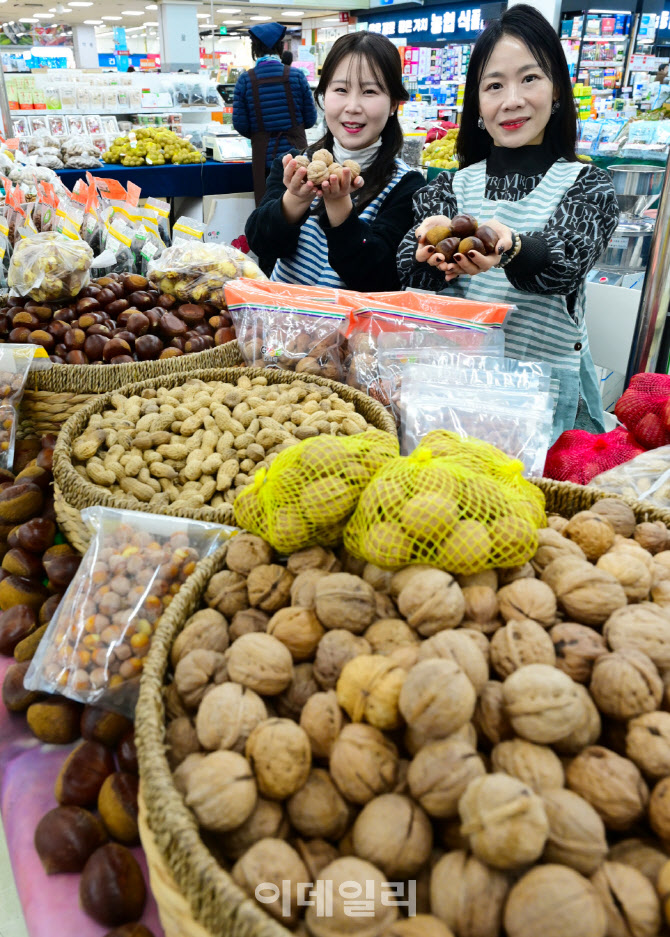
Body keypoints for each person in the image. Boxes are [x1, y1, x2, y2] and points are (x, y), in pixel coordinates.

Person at [396, 4, 619, 437]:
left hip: (543, 407)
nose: (512, 100)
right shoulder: (448, 189)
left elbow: (564, 263)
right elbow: (411, 276)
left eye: (530, 78)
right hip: (452, 398)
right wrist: (424, 254)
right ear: (477, 102)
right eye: (494, 85)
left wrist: (510, 246)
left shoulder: (586, 184)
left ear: (557, 89)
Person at [245, 32, 425, 290]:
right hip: (284, 322)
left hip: (354, 328)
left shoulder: (406, 186)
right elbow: (262, 245)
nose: (352, 106)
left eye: (370, 91)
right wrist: (295, 199)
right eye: (340, 89)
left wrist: (339, 204)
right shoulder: (295, 166)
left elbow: (379, 277)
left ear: (394, 103)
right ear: (323, 95)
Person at [233, 22, 317, 205]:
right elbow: (311, 119)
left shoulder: (246, 80)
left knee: (268, 207)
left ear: (254, 48)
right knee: (301, 203)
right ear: (281, 46)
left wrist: (261, 134)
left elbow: (240, 124)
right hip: (296, 153)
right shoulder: (296, 76)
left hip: (263, 156)